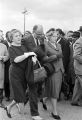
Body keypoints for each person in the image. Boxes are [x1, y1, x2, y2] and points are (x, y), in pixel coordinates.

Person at [4, 29, 36, 118]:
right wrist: (27, 54)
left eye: (19, 35)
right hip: (15, 74)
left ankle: (9, 107)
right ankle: (23, 117)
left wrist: (33, 60)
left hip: (24, 73)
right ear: (12, 38)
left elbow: (28, 59)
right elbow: (16, 60)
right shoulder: (11, 48)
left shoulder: (23, 47)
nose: (19, 37)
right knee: (21, 97)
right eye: (16, 36)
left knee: (20, 94)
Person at [44, 31, 64, 120]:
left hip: (59, 70)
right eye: (54, 36)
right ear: (49, 37)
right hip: (52, 70)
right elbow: (44, 59)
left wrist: (63, 69)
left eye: (56, 36)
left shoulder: (59, 45)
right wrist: (55, 56)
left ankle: (43, 99)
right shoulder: (45, 45)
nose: (55, 38)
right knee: (54, 91)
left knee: (54, 89)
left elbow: (61, 57)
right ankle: (54, 112)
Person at [71, 26, 82, 106]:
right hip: (79, 68)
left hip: (79, 68)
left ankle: (74, 101)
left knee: (78, 85)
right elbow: (76, 55)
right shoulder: (79, 41)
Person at [0, 30, 9, 107]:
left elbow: (7, 56)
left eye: (1, 36)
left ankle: (0, 101)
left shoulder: (4, 46)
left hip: (1, 67)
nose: (1, 37)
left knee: (1, 84)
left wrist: (3, 58)